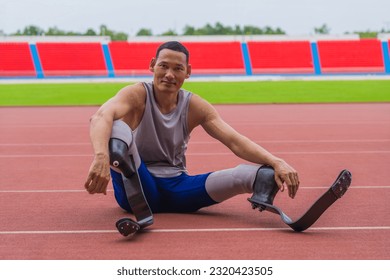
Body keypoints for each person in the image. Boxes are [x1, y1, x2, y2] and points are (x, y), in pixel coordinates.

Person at [84, 41, 299, 217]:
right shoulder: (136, 95)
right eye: (163, 66)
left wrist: (275, 162)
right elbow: (100, 117)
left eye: (178, 69)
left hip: (178, 187)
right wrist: (102, 157)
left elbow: (234, 140)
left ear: (188, 72)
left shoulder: (195, 106)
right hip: (137, 184)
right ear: (152, 65)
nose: (169, 74)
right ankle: (134, 188)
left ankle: (262, 180)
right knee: (117, 126)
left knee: (247, 175)